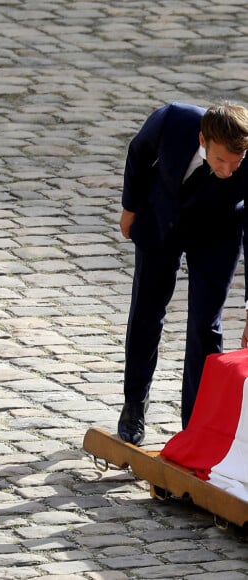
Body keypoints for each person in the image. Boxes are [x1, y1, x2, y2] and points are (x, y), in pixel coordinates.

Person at [118, 101, 248, 446]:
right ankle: (134, 405)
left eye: (237, 163)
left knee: (206, 325)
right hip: (162, 220)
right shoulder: (171, 120)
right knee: (147, 312)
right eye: (221, 160)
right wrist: (130, 208)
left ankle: (197, 426)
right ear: (202, 139)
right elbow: (138, 151)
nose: (228, 171)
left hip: (218, 234)